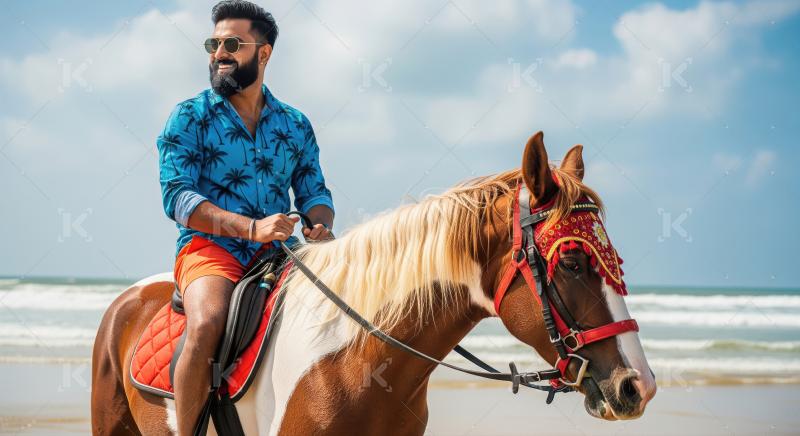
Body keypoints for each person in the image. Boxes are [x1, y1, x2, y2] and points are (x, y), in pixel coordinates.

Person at [155, 1, 334, 432]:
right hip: (210, 250)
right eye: (213, 44)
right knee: (208, 321)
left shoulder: (295, 124)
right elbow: (177, 198)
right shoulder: (188, 117)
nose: (219, 53)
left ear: (264, 53)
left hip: (280, 253)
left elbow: (315, 191)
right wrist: (250, 228)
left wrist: (319, 223)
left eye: (232, 44)